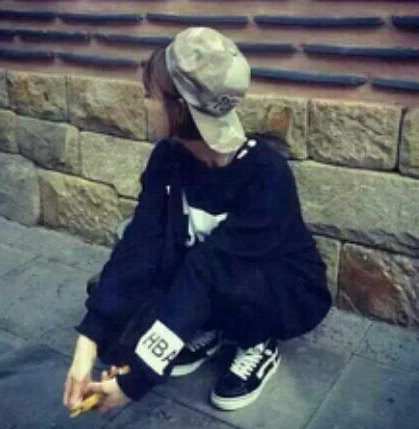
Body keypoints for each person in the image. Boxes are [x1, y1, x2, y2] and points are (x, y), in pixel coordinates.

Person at [63, 26, 332, 413]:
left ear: (179, 109)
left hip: (279, 291)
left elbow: (207, 271)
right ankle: (210, 327)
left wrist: (136, 380)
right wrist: (87, 343)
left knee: (225, 285)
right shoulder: (167, 157)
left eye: (150, 95)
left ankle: (256, 342)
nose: (144, 104)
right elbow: (140, 245)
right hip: (207, 277)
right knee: (122, 310)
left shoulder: (266, 175)